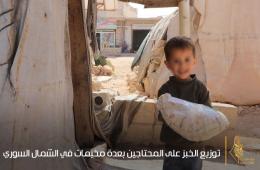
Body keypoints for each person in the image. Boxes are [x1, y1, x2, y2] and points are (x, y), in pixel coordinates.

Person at [158, 36, 211, 170]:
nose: (182, 66)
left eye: (187, 60)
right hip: (173, 146)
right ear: (168, 64)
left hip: (195, 147)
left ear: (194, 61)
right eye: (176, 61)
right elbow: (162, 115)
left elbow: (207, 114)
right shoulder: (165, 90)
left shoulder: (200, 89)